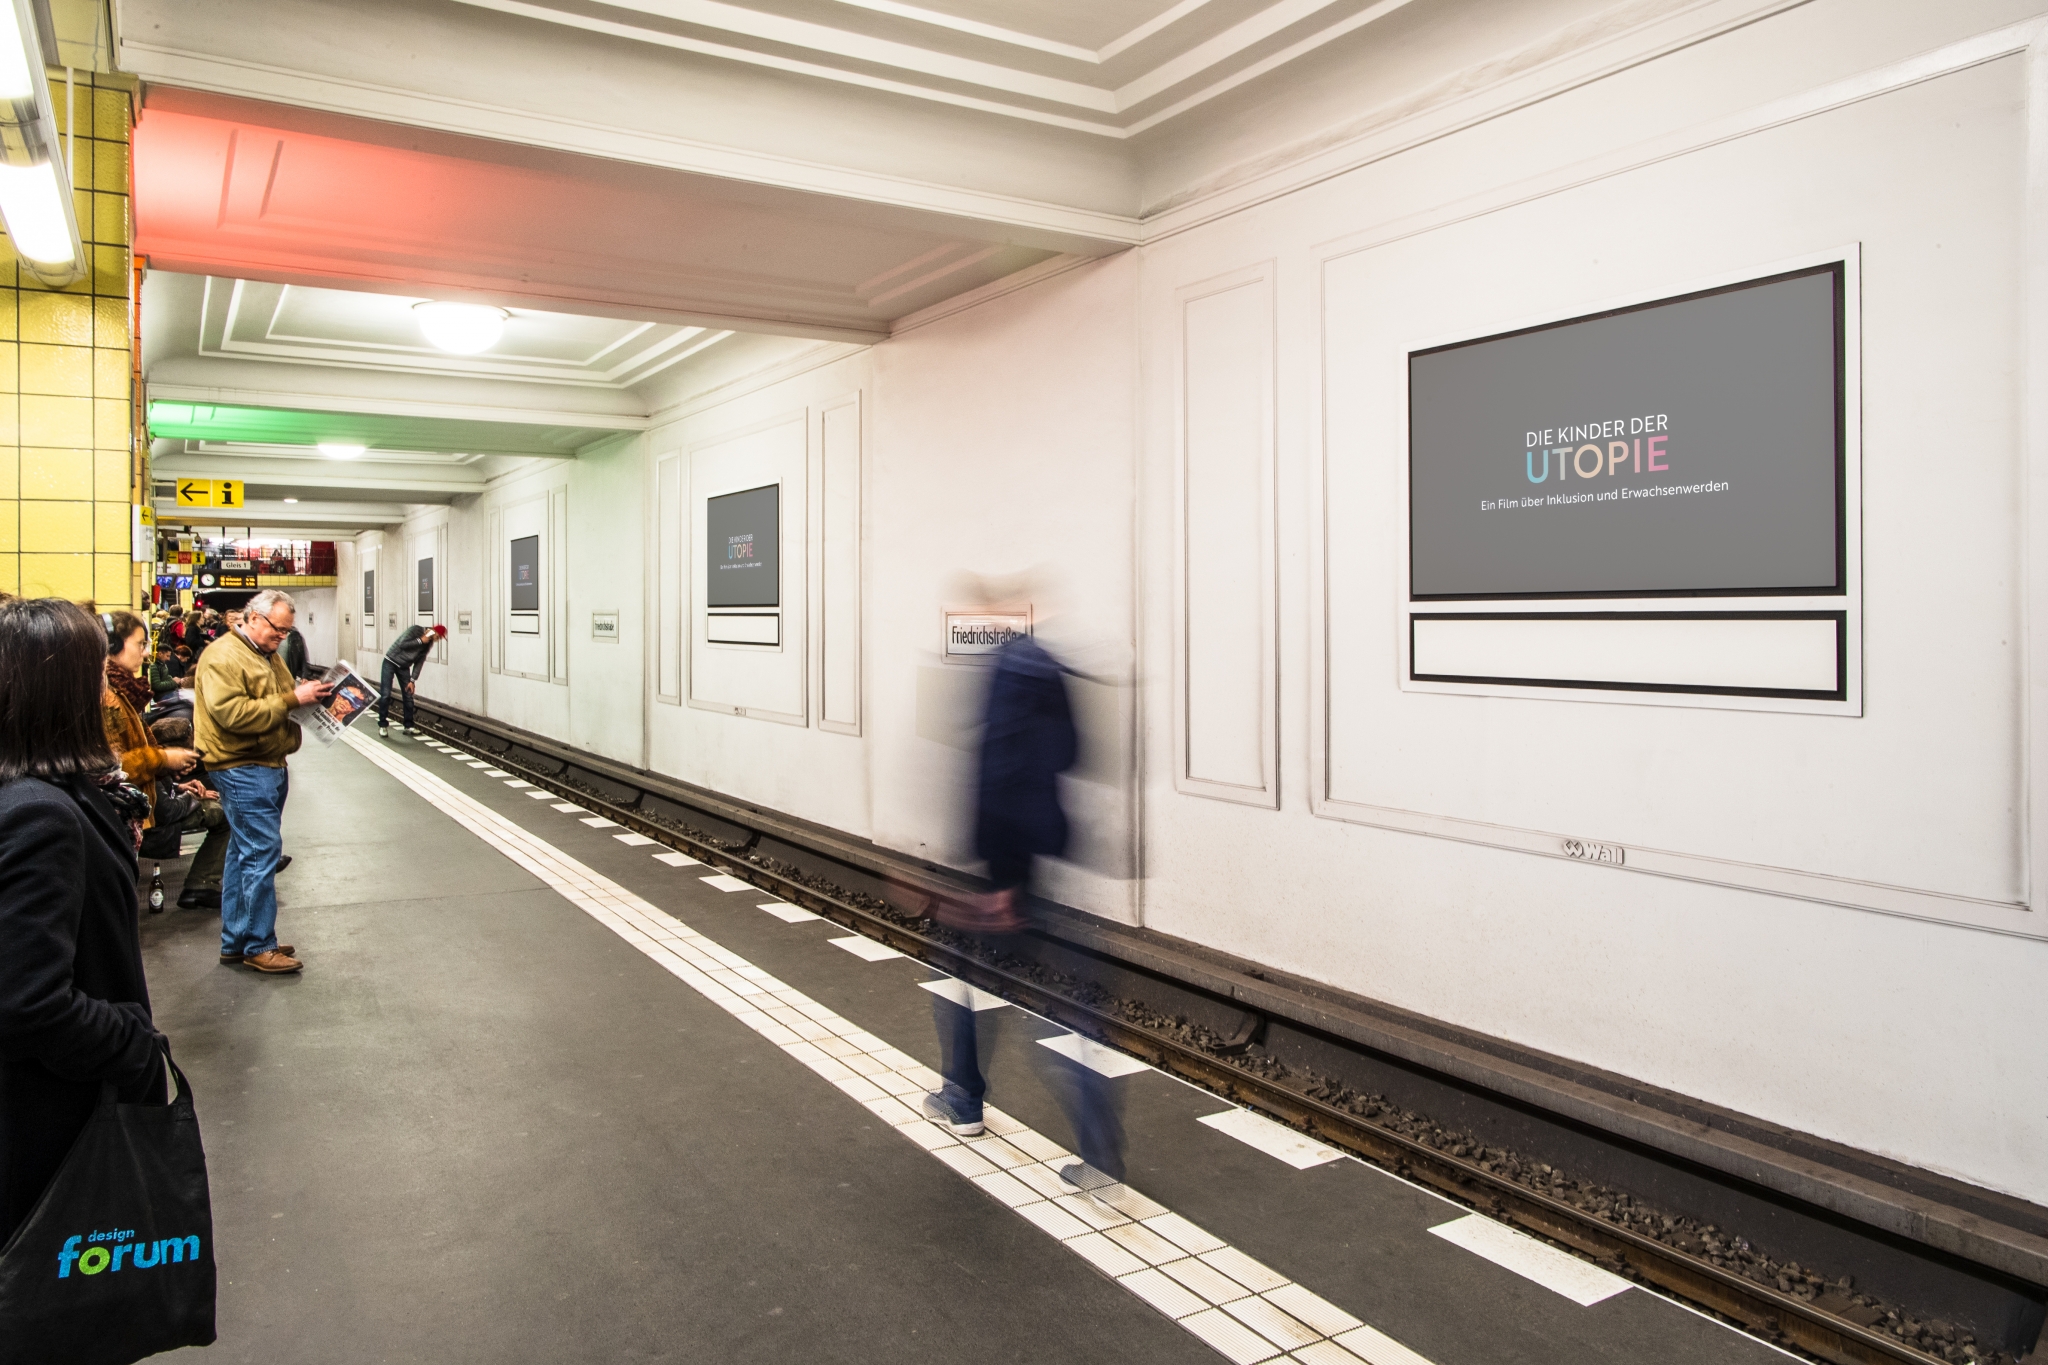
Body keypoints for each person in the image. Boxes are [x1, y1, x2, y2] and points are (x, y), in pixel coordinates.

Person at [920, 631, 1124, 1189]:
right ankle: (1093, 1147)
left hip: (1011, 864)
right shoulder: (1051, 667)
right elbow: (1076, 753)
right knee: (1050, 998)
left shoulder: (1008, 669)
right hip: (1050, 850)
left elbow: (999, 767)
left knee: (975, 978)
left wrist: (1001, 875)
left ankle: (965, 1099)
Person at [0, 598, 173, 1247]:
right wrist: (132, 1039)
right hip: (55, 1120)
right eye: (97, 670)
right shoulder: (41, 816)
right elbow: (26, 1001)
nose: (107, 684)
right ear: (64, 687)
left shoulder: (39, 791)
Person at [194, 588, 327, 974]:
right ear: (253, 618)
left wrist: (307, 697)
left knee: (242, 854)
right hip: (242, 767)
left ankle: (238, 940)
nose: (280, 637)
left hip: (265, 764)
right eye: (276, 629)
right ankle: (259, 944)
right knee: (261, 854)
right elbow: (231, 714)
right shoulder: (223, 656)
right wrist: (290, 700)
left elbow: (279, 697)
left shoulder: (264, 655)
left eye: (286, 632)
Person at [101, 611, 201, 839]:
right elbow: (112, 768)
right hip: (121, 816)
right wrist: (164, 759)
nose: (146, 653)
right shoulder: (108, 698)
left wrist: (166, 766)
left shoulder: (121, 692)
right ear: (112, 645)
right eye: (140, 644)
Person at [140, 717, 231, 912]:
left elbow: (158, 791)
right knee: (225, 817)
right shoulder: (147, 760)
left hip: (155, 816)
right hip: (155, 827)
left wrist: (180, 786)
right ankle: (201, 883)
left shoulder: (147, 751)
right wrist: (193, 796)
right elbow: (166, 811)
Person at [376, 622, 446, 737]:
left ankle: (409, 726)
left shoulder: (428, 644)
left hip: (404, 667)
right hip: (390, 661)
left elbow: (419, 662)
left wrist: (412, 680)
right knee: (386, 694)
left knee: (408, 696)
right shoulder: (415, 630)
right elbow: (402, 644)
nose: (438, 639)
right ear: (433, 631)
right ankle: (382, 725)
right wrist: (420, 640)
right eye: (438, 636)